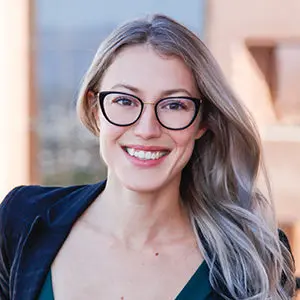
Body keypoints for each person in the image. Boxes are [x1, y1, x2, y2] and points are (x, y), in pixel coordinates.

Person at [0, 14, 296, 300]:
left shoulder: (255, 258)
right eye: (125, 101)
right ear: (95, 109)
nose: (147, 129)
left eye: (174, 105)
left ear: (202, 121)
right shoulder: (21, 220)